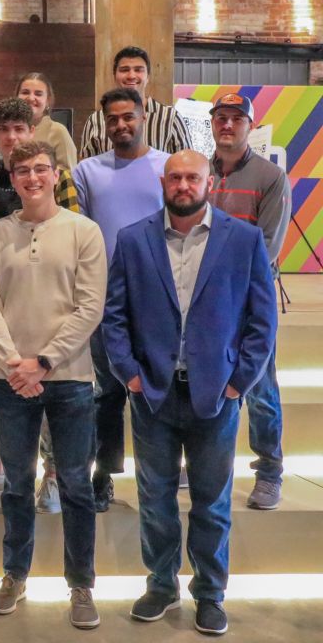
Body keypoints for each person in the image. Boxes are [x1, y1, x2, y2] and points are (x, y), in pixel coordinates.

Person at [103, 150, 277, 636]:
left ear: (208, 183)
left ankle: (209, 593)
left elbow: (262, 321)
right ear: (164, 182)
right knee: (154, 498)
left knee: (212, 500)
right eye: (175, 177)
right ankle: (160, 585)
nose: (183, 185)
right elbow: (114, 317)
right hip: (152, 393)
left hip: (217, 395)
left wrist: (239, 381)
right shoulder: (134, 240)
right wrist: (128, 373)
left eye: (192, 177)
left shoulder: (242, 240)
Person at [0, 140, 107, 630]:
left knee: (74, 483)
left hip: (69, 377)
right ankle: (15, 574)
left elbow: (89, 307)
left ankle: (81, 585)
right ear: (12, 180)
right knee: (15, 483)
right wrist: (15, 362)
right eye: (22, 171)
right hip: (11, 378)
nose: (32, 178)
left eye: (40, 170)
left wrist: (44, 362)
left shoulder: (83, 232)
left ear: (56, 175)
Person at [0, 98, 79, 512]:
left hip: (47, 310)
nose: (11, 137)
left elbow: (72, 246)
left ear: (32, 132)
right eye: (4, 130)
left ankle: (54, 476)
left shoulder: (57, 181)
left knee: (46, 392)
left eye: (19, 130)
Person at [73, 87, 170, 513]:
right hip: (105, 300)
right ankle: (103, 473)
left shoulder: (168, 167)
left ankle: (161, 473)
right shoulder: (87, 172)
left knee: (158, 389)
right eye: (113, 119)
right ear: (103, 124)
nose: (121, 125)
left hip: (157, 298)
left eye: (128, 116)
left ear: (143, 113)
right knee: (107, 392)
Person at [206, 93, 290, 510]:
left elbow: (268, 246)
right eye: (221, 117)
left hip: (250, 300)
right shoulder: (199, 173)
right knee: (205, 381)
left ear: (250, 127)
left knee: (258, 386)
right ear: (212, 124)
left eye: (236, 119)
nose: (227, 125)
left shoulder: (270, 177)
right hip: (205, 302)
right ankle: (203, 463)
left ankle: (270, 471)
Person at [79, 46, 191, 160]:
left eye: (138, 70)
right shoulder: (95, 120)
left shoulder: (171, 118)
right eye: (124, 70)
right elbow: (86, 166)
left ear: (148, 77)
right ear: (114, 76)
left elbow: (188, 164)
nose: (131, 76)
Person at [16, 72, 76, 170]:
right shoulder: (7, 132)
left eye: (38, 94)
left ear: (48, 100)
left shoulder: (58, 131)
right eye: (25, 92)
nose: (31, 98)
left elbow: (68, 174)